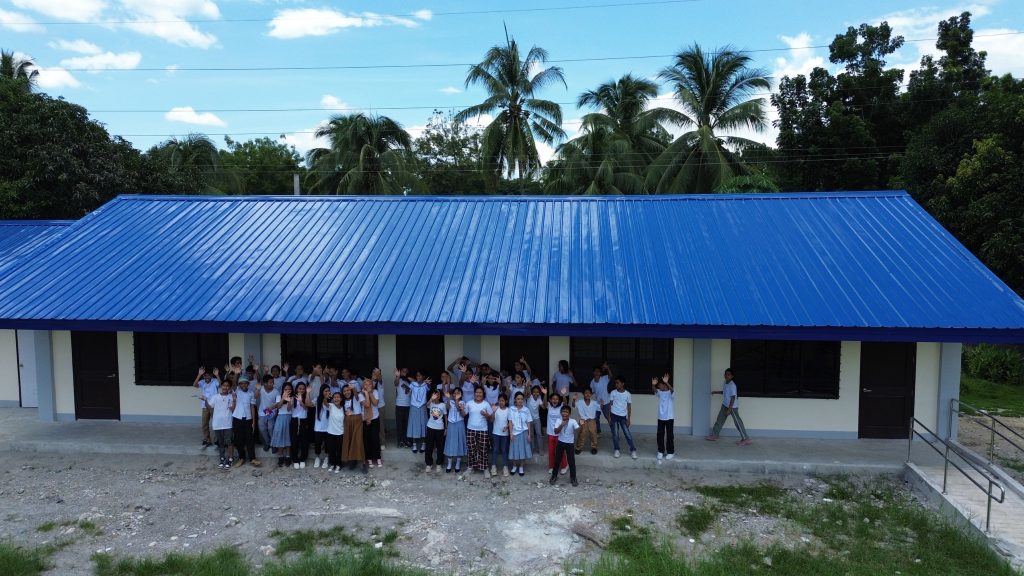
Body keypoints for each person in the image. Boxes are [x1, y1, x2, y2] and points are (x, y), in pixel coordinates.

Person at [705, 368, 751, 445]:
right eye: (725, 374)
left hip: (732, 407)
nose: (726, 375)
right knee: (719, 420)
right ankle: (715, 435)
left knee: (737, 422)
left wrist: (729, 409)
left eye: (728, 374)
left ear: (732, 376)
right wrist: (716, 392)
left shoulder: (732, 385)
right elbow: (725, 392)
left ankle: (746, 438)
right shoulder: (725, 382)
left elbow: (733, 397)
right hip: (725, 404)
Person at [464, 384, 493, 477]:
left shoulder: (486, 404)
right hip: (471, 429)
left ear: (483, 394)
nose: (478, 394)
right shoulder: (469, 403)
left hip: (483, 430)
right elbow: (464, 414)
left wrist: (486, 415)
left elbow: (491, 419)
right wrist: (459, 407)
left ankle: (485, 468)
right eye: (477, 392)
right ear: (474, 393)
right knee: (471, 449)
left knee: (483, 450)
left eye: (480, 392)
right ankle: (470, 467)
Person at [230, 375, 259, 467]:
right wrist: (235, 373)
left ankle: (252, 458)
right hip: (237, 417)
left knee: (249, 439)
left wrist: (254, 422)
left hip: (248, 418)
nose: (243, 385)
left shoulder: (251, 393)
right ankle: (241, 458)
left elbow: (252, 407)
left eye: (245, 383)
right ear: (239, 385)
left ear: (248, 384)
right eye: (241, 383)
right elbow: (233, 384)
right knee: (238, 439)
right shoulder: (237, 390)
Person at [208, 377, 235, 469]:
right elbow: (210, 408)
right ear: (221, 386)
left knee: (229, 442)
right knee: (220, 442)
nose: (225, 387)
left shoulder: (231, 396)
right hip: (217, 424)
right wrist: (205, 401)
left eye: (227, 386)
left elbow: (233, 409)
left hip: (228, 423)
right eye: (224, 385)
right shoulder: (215, 396)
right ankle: (222, 458)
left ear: (230, 387)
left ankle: (230, 459)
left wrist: (234, 400)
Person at [549, 406, 580, 487]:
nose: (564, 413)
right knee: (557, 460)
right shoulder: (558, 420)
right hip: (560, 442)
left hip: (570, 443)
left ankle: (573, 478)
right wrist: (561, 425)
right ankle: (554, 476)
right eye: (563, 411)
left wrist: (580, 424)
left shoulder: (573, 421)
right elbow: (555, 432)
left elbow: (577, 430)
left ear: (569, 414)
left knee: (571, 462)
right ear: (561, 413)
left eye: (566, 412)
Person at [608, 377, 637, 459]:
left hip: (623, 417)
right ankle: (616, 449)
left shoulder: (627, 394)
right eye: (616, 383)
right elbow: (610, 405)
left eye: (618, 383)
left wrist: (629, 419)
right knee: (615, 434)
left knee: (627, 434)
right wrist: (609, 417)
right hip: (614, 416)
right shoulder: (613, 392)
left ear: (623, 384)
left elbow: (629, 407)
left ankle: (633, 450)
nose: (616, 384)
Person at [341, 385, 367, 472]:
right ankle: (352, 461)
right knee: (349, 441)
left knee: (358, 441)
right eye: (344, 391)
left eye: (348, 390)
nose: (346, 392)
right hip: (348, 422)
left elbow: (356, 394)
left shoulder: (356, 397)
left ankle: (363, 463)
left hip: (357, 421)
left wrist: (354, 389)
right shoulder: (343, 401)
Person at [193, 367, 220, 448]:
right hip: (205, 406)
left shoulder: (215, 381)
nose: (207, 377)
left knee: (215, 423)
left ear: (211, 376)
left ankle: (217, 440)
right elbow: (194, 385)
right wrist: (199, 374)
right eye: (205, 376)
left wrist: (217, 375)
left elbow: (221, 384)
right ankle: (207, 440)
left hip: (214, 406)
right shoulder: (202, 382)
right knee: (204, 424)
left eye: (208, 375)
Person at [507, 391, 533, 476]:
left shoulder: (526, 410)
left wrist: (529, 434)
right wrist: (511, 434)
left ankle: (521, 466)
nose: (520, 400)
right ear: (515, 399)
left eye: (521, 399)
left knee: (523, 450)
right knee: (514, 450)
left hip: (524, 432)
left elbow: (528, 422)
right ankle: (514, 466)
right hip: (514, 432)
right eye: (518, 399)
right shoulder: (511, 409)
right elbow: (510, 422)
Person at [289, 382, 314, 469]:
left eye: (303, 388)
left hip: (304, 420)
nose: (301, 390)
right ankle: (295, 459)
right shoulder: (292, 397)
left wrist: (306, 395)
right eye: (300, 388)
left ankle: (303, 459)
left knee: (304, 441)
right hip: (294, 421)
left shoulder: (306, 397)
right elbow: (289, 409)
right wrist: (291, 402)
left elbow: (307, 408)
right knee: (294, 441)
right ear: (296, 389)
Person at [443, 387, 467, 473]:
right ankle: (449, 464)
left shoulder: (462, 402)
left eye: (458, 393)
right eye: (454, 393)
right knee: (450, 442)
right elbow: (448, 408)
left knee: (459, 442)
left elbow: (458, 409)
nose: (456, 394)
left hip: (459, 424)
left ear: (461, 394)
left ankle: (457, 463)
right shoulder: (450, 400)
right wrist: (449, 398)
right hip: (451, 424)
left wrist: (456, 400)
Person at [270, 382, 294, 467]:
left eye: (289, 389)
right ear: (283, 390)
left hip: (289, 418)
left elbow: (289, 409)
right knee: (280, 437)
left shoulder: (292, 398)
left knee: (288, 437)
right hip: (280, 418)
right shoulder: (279, 396)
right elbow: (279, 407)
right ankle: (280, 457)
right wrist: (283, 399)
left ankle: (288, 456)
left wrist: (289, 401)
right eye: (286, 389)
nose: (288, 391)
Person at [653, 373, 675, 459]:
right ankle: (660, 451)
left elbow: (672, 390)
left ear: (664, 385)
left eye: (659, 385)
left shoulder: (670, 393)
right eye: (658, 386)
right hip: (660, 417)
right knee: (660, 434)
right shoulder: (660, 392)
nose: (658, 387)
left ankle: (670, 452)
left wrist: (667, 382)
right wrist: (653, 385)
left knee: (670, 435)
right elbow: (654, 390)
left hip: (669, 417)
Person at [424, 389, 447, 472]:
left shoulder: (443, 405)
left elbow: (445, 417)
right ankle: (428, 464)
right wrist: (431, 399)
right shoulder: (431, 403)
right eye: (434, 394)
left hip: (440, 428)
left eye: (437, 394)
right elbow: (426, 405)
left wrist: (446, 428)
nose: (436, 396)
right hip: (430, 427)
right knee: (429, 446)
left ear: (440, 396)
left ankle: (439, 463)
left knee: (439, 447)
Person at [362, 378, 383, 469]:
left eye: (369, 384)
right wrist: (366, 394)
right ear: (363, 386)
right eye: (365, 384)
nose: (368, 386)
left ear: (372, 385)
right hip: (365, 419)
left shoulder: (375, 392)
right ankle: (369, 458)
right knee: (367, 440)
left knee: (375, 439)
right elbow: (366, 405)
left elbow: (375, 403)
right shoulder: (360, 394)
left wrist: (370, 393)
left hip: (375, 418)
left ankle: (378, 458)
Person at [546, 393, 569, 475]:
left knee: (560, 451)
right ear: (550, 400)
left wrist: (563, 395)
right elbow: (544, 403)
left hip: (559, 433)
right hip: (550, 433)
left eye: (556, 399)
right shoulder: (549, 406)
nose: (555, 400)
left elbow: (566, 404)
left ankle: (564, 466)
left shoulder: (561, 406)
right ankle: (551, 467)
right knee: (551, 451)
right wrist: (545, 394)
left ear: (559, 400)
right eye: (553, 399)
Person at [406, 372, 429, 453]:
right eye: (417, 376)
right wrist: (408, 386)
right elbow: (407, 392)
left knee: (423, 424)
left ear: (423, 376)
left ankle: (423, 444)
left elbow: (428, 387)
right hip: (414, 407)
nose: (418, 377)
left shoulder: (425, 384)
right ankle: (415, 445)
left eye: (420, 375)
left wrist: (426, 383)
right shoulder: (412, 384)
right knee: (414, 425)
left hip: (422, 407)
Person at [572, 388, 599, 455]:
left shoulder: (594, 402)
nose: (587, 394)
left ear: (591, 394)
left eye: (589, 393)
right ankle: (578, 447)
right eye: (586, 393)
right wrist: (574, 400)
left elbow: (600, 407)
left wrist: (602, 404)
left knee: (593, 434)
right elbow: (573, 405)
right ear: (583, 394)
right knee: (582, 433)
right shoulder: (580, 402)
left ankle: (594, 447)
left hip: (592, 420)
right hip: (583, 420)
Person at [490, 393, 511, 477]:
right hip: (496, 433)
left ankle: (505, 467)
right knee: (495, 450)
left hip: (505, 434)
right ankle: (493, 466)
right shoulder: (496, 409)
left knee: (504, 450)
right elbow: (491, 420)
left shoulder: (509, 410)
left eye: (503, 400)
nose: (501, 402)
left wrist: (507, 427)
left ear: (506, 401)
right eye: (500, 401)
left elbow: (510, 422)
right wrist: (493, 412)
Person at [256, 374, 279, 451]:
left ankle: (273, 444)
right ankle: (267, 442)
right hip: (262, 412)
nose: (272, 384)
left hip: (272, 412)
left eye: (273, 382)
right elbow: (256, 396)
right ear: (265, 383)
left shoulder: (276, 391)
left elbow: (278, 403)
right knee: (262, 428)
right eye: (270, 382)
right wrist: (258, 389)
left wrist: (272, 407)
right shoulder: (261, 389)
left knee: (270, 428)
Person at [324, 392, 345, 473]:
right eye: (335, 397)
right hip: (331, 432)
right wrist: (326, 397)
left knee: (339, 450)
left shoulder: (343, 408)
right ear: (332, 399)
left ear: (341, 399)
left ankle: (339, 465)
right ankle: (332, 464)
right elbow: (325, 403)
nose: (336, 399)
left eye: (338, 397)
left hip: (340, 432)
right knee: (331, 450)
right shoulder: (331, 406)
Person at [312, 385, 332, 468]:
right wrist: (308, 393)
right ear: (322, 392)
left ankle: (327, 458)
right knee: (318, 443)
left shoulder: (332, 399)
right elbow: (309, 404)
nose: (327, 393)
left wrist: (326, 397)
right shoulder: (317, 399)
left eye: (328, 391)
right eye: (325, 391)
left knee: (327, 444)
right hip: (318, 427)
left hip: (328, 427)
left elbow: (327, 406)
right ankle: (317, 458)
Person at [590, 363, 612, 434]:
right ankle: (598, 432)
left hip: (606, 402)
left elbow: (610, 376)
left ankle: (614, 432)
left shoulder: (604, 378)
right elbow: (592, 392)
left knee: (608, 417)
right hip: (598, 403)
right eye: (595, 371)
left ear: (600, 373)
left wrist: (607, 368)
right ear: (593, 373)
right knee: (596, 417)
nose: (596, 373)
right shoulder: (592, 382)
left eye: (598, 371)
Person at [394, 368, 411, 448]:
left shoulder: (410, 381)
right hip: (399, 405)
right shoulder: (399, 380)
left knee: (406, 425)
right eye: (403, 371)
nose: (405, 372)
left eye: (406, 371)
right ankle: (400, 441)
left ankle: (405, 440)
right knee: (399, 424)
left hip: (408, 405)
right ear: (400, 372)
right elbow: (395, 383)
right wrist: (397, 376)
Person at [527, 385, 544, 457]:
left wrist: (545, 395)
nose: (536, 393)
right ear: (531, 392)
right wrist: (527, 386)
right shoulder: (529, 397)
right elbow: (527, 393)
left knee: (539, 434)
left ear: (539, 393)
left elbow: (544, 407)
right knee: (531, 434)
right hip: (529, 419)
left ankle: (540, 449)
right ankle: (532, 449)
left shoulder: (539, 399)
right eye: (534, 392)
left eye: (537, 392)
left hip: (537, 419)